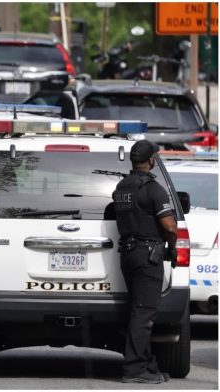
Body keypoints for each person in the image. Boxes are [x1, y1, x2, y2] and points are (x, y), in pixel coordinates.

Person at [112, 140, 177, 384]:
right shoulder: (153, 188)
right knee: (144, 314)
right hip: (147, 255)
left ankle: (147, 365)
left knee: (138, 310)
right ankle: (134, 369)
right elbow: (169, 226)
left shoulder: (121, 187)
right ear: (151, 160)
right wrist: (171, 246)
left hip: (128, 255)